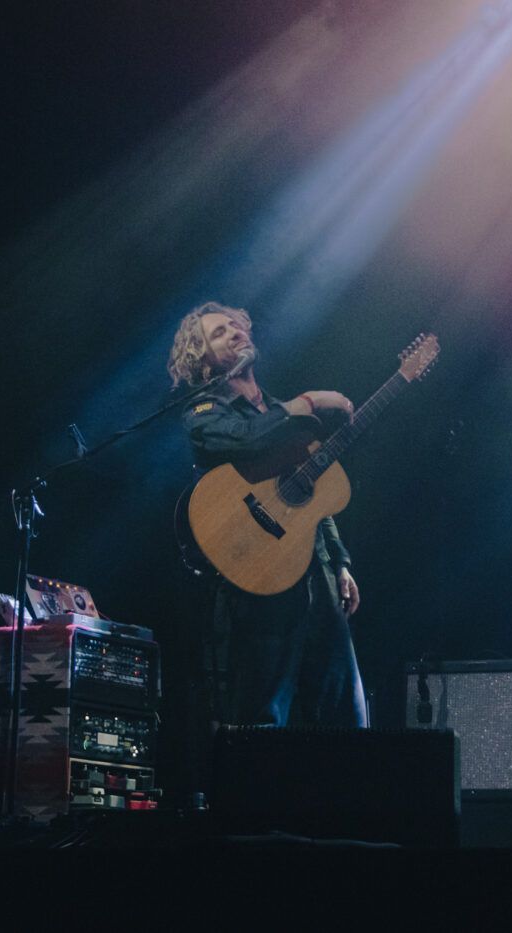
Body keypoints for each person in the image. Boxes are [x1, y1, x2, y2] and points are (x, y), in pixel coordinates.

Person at [168, 300, 367, 727]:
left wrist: (340, 562)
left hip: (315, 572)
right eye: (219, 333)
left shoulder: (282, 412)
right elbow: (245, 439)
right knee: (264, 712)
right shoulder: (203, 411)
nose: (235, 332)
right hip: (261, 577)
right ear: (201, 360)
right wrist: (309, 401)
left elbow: (315, 498)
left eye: (236, 326)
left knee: (344, 709)